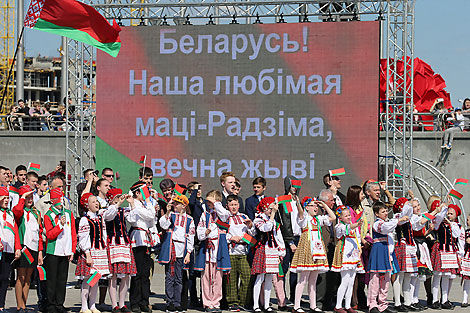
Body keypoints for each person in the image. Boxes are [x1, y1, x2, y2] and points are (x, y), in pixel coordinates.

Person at [290, 197, 335, 313]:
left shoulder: (318, 219)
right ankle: (296, 306)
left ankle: (313, 305)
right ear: (307, 207)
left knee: (313, 280)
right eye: (312, 205)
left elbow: (333, 217)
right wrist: (299, 203)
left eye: (316, 206)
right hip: (307, 249)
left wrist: (324, 205)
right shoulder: (305, 219)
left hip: (318, 250)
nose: (315, 208)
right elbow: (300, 213)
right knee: (303, 279)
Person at [367, 201, 409, 313]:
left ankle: (383, 304)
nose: (386, 213)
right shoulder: (377, 224)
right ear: (376, 214)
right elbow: (386, 228)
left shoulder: (388, 222)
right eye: (383, 211)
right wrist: (398, 220)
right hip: (379, 251)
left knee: (385, 280)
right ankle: (372, 304)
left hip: (387, 253)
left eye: (386, 211)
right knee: (375, 279)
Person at [158, 194, 195, 313]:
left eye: (177, 203)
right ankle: (170, 303)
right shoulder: (171, 216)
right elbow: (163, 224)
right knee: (170, 277)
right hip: (171, 248)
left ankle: (177, 302)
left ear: (184, 205)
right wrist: (167, 212)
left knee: (179, 278)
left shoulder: (189, 219)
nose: (175, 205)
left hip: (182, 249)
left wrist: (188, 253)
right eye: (174, 203)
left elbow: (191, 237)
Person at [195, 190, 231, 312]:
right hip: (207, 248)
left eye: (210, 200)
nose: (208, 202)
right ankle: (207, 302)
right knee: (206, 278)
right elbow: (199, 232)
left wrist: (216, 203)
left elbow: (225, 215)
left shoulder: (222, 214)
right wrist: (205, 233)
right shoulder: (205, 215)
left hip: (219, 249)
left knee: (218, 278)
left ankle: (216, 302)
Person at [43, 188, 77, 313]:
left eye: (62, 198)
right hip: (53, 251)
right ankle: (51, 305)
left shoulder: (68, 213)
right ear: (52, 201)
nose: (61, 201)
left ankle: (59, 304)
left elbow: (73, 233)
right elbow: (50, 235)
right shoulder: (48, 215)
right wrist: (60, 225)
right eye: (58, 199)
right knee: (52, 279)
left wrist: (72, 250)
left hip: (65, 251)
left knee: (62, 279)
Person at [103, 189, 137, 313]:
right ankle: (114, 304)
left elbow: (133, 219)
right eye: (117, 197)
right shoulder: (106, 209)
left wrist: (132, 204)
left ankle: (122, 304)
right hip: (113, 243)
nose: (120, 199)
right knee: (113, 275)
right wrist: (116, 204)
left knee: (126, 275)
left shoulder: (123, 211)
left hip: (124, 243)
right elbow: (109, 216)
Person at [127, 181, 158, 313]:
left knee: (146, 273)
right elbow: (149, 216)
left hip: (146, 239)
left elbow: (152, 221)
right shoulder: (135, 205)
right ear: (138, 193)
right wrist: (150, 203)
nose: (146, 195)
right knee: (137, 273)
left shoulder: (144, 205)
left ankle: (144, 301)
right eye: (144, 192)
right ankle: (134, 301)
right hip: (137, 239)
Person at [76, 192, 110, 313]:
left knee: (96, 278)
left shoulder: (99, 217)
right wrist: (87, 254)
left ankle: (92, 305)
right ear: (87, 205)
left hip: (99, 250)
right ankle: (84, 306)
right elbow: (83, 237)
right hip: (90, 251)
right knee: (87, 279)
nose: (96, 203)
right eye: (93, 201)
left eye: (97, 201)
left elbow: (104, 234)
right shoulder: (85, 219)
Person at [12, 185, 44, 313]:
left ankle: (24, 305)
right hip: (23, 247)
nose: (30, 199)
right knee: (21, 276)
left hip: (34, 248)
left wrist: (40, 251)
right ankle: (20, 306)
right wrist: (22, 198)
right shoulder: (18, 210)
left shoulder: (36, 212)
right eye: (27, 197)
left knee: (29, 278)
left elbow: (39, 233)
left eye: (31, 197)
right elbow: (18, 211)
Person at [251, 197, 285, 313]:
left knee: (270, 278)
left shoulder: (274, 222)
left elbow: (278, 237)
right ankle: (256, 305)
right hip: (262, 249)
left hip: (272, 250)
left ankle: (266, 304)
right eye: (270, 208)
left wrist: (281, 252)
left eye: (273, 208)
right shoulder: (258, 219)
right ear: (265, 208)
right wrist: (273, 215)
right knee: (259, 277)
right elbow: (266, 228)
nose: (272, 210)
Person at [225, 194, 256, 311]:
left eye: (235, 205)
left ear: (239, 205)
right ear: (227, 206)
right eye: (231, 205)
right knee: (231, 279)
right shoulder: (226, 218)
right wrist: (231, 238)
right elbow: (222, 232)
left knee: (247, 276)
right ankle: (232, 303)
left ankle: (243, 301)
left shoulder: (244, 216)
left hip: (243, 252)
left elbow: (252, 233)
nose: (233, 207)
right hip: (231, 251)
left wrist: (250, 226)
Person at [331, 205, 364, 313]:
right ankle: (338, 305)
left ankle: (348, 304)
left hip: (354, 254)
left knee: (351, 281)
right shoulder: (339, 226)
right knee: (344, 280)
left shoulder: (352, 226)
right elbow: (346, 229)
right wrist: (356, 224)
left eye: (349, 215)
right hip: (345, 254)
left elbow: (357, 237)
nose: (349, 217)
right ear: (340, 218)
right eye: (346, 216)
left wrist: (359, 249)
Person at [430, 202, 461, 309]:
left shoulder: (455, 225)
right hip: (440, 249)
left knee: (446, 276)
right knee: (437, 275)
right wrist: (444, 208)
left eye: (451, 214)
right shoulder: (439, 223)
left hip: (450, 250)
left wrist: (450, 223)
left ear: (456, 216)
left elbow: (456, 234)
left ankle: (444, 299)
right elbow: (438, 218)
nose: (448, 215)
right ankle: (435, 300)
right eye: (448, 213)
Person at [276, 175, 301, 304]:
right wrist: (290, 241)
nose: (294, 188)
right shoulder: (284, 200)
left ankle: (294, 297)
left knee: (295, 269)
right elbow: (286, 222)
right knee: (284, 268)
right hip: (287, 239)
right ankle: (283, 297)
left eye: (296, 186)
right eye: (292, 185)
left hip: (298, 238)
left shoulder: (298, 201)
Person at [0, 186, 22, 312]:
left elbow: (15, 232)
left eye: (8, 197)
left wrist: (17, 248)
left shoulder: (10, 214)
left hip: (8, 250)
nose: (7, 200)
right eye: (4, 197)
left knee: (4, 279)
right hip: (0, 250)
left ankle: (1, 306)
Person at [461, 214, 470, 307]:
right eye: (467, 220)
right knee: (467, 279)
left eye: (468, 220)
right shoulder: (466, 232)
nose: (467, 222)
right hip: (468, 256)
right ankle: (464, 299)